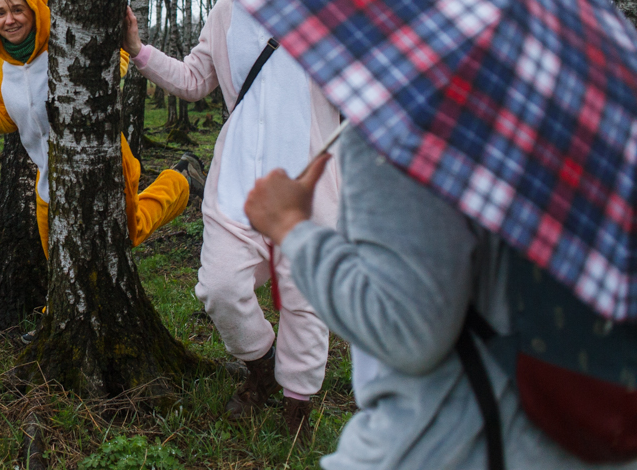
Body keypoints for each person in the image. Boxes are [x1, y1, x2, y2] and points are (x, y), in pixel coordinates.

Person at [245, 126, 633, 469]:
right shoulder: (599, 121)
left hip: (449, 440)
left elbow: (406, 328)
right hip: (589, 432)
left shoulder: (402, 122)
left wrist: (290, 227)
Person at [123, 0, 341, 437]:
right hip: (238, 181)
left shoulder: (329, 5)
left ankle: (297, 403)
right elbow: (192, 78)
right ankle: (261, 366)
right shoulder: (224, 13)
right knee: (219, 287)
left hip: (307, 185)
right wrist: (137, 48)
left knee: (304, 299)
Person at [0, 0, 205, 259]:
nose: (9, 20)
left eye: (18, 10)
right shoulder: (0, 64)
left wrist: (118, 58)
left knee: (130, 233)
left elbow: (112, 60)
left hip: (103, 164)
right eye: (1, 13)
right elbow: (5, 116)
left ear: (32, 11)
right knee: (57, 262)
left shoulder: (62, 42)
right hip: (48, 181)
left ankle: (180, 180)